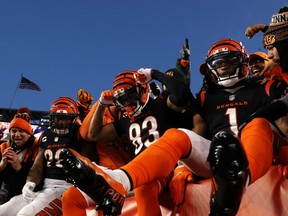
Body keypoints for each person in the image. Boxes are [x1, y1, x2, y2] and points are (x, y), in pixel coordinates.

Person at [59, 37, 288, 216]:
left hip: (255, 152)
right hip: (216, 156)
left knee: (257, 123)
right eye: (219, 66)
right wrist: (184, 166)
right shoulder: (207, 96)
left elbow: (179, 94)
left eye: (229, 64)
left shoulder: (265, 86)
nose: (224, 70)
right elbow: (198, 129)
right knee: (176, 135)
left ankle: (236, 183)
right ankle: (118, 181)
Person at [60, 42, 202, 215]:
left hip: (164, 168)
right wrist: (102, 105)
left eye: (130, 96)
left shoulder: (161, 105)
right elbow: (93, 134)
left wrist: (155, 74)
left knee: (143, 185)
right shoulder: (125, 120)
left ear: (143, 89)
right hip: (134, 170)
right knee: (70, 197)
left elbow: (182, 96)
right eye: (122, 100)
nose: (128, 103)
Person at [0, 96, 86, 216]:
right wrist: (30, 183)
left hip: (68, 189)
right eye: (57, 118)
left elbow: (90, 163)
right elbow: (38, 167)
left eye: (64, 118)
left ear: (73, 119)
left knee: (25, 214)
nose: (60, 122)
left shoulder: (80, 133)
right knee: (4, 210)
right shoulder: (46, 135)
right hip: (45, 188)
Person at [0, 107, 39, 204]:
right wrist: (1, 165)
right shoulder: (3, 147)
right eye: (14, 131)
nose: (17, 135)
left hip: (26, 196)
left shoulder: (37, 149)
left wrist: (19, 167)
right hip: (4, 195)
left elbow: (38, 180)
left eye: (21, 131)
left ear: (29, 134)